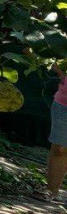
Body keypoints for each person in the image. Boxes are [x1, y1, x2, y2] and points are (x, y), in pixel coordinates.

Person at [39, 63, 67, 202]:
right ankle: (51, 190)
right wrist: (62, 74)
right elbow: (53, 59)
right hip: (63, 105)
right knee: (59, 149)